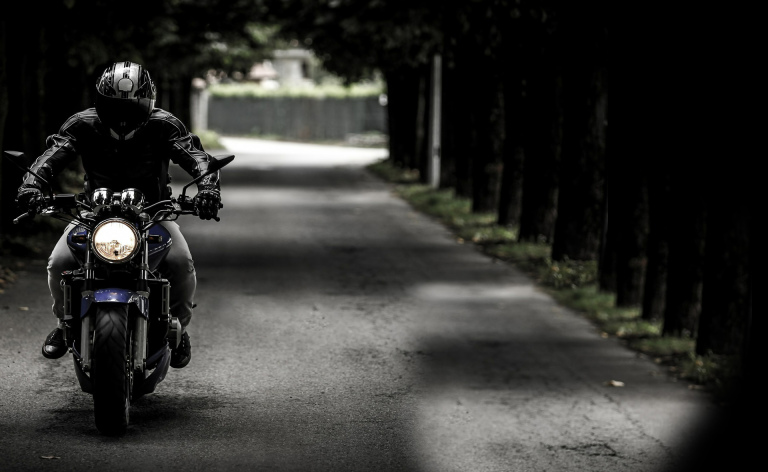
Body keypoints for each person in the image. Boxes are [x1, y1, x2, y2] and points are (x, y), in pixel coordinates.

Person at [15, 61, 222, 369]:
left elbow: (197, 158)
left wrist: (208, 190)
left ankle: (178, 327)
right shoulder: (82, 124)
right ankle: (63, 322)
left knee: (180, 262)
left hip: (153, 212)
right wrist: (31, 186)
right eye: (114, 106)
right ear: (100, 101)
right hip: (92, 213)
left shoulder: (165, 125)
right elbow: (51, 156)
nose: (123, 115)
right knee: (58, 262)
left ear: (148, 102)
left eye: (132, 106)